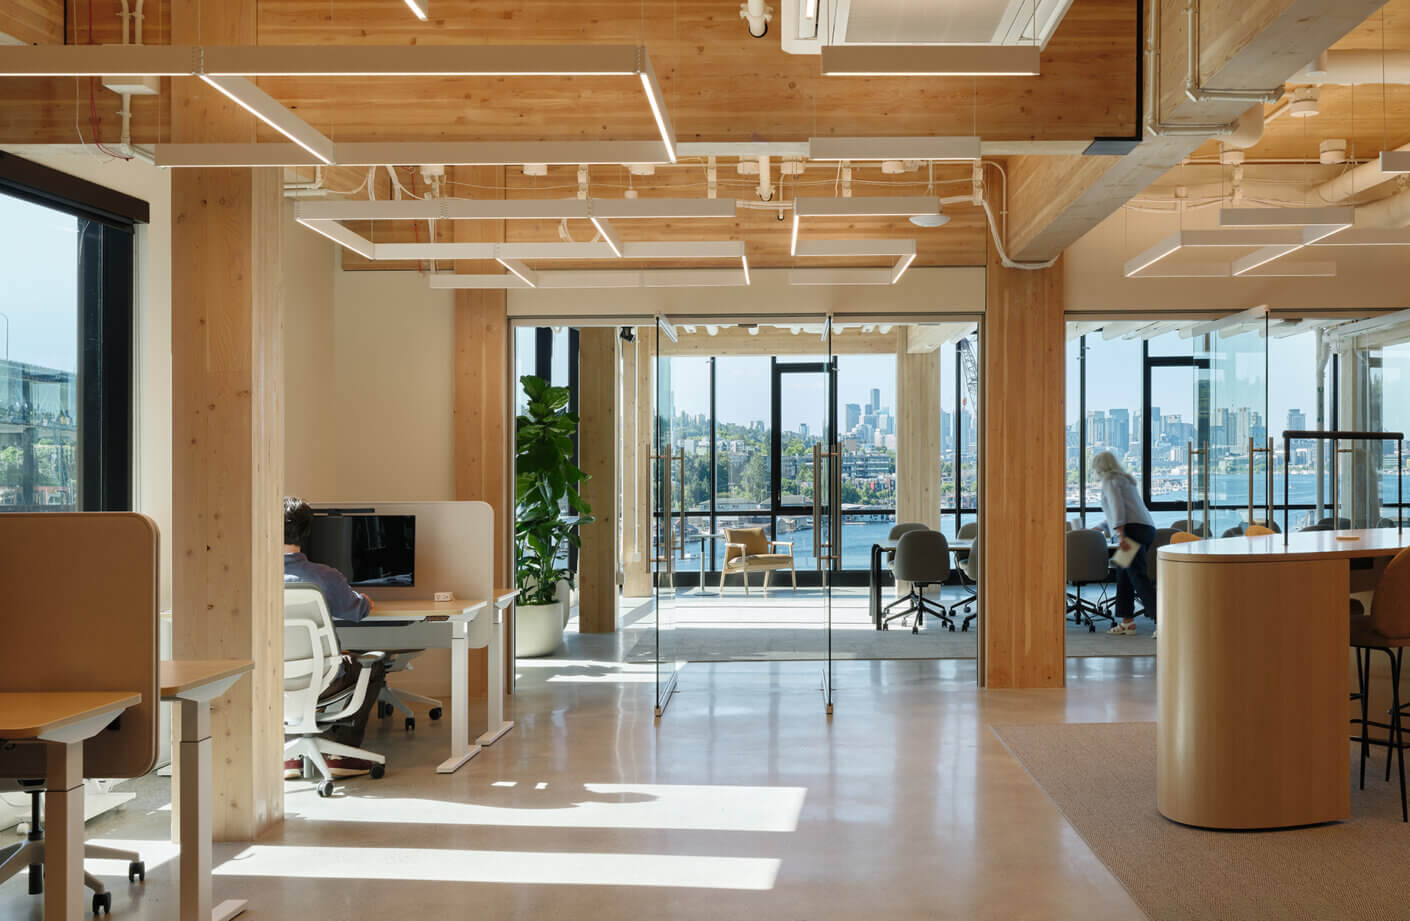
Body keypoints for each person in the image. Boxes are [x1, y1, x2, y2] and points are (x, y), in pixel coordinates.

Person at [282, 496, 387, 765]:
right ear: (306, 532)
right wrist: (366, 600)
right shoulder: (325, 576)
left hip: (271, 680)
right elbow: (357, 610)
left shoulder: (254, 576)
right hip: (325, 681)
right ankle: (342, 754)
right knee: (373, 665)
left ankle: (289, 757)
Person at [1092, 451, 1157, 635]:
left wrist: (1120, 535)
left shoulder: (1110, 481)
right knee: (1124, 574)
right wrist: (1101, 527)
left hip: (1132, 531)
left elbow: (1117, 507)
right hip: (1145, 529)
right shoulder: (1125, 480)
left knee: (1138, 577)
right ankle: (1127, 621)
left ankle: (1162, 622)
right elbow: (1122, 510)